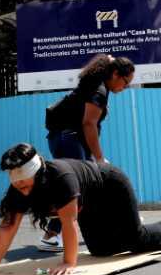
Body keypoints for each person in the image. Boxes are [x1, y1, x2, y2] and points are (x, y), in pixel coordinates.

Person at [0, 143, 161, 275]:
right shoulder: (19, 188)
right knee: (100, 250)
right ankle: (121, 231)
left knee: (135, 238)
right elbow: (8, 226)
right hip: (87, 203)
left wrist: (69, 262)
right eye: (18, 186)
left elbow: (69, 223)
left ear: (38, 174)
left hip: (112, 187)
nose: (24, 191)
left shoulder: (60, 177)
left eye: (27, 186)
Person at [38, 54, 135, 252]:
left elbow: (107, 59)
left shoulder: (96, 80)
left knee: (81, 186)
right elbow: (88, 124)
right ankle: (52, 235)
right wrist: (99, 157)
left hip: (66, 139)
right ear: (115, 74)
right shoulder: (98, 90)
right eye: (125, 83)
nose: (125, 88)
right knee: (77, 187)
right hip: (70, 139)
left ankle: (56, 233)